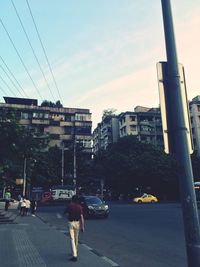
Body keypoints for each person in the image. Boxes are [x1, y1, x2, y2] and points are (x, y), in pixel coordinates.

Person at [64, 195, 85, 262]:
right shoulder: (79, 207)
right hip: (77, 223)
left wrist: (68, 215)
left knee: (72, 239)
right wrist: (82, 226)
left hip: (71, 223)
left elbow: (65, 214)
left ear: (72, 200)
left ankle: (74, 255)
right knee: (76, 238)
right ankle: (75, 251)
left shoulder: (70, 206)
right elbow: (81, 217)